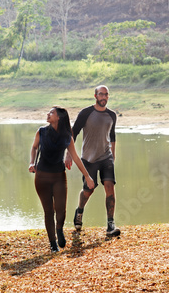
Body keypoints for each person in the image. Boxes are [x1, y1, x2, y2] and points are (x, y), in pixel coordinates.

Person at [29, 107, 95, 252]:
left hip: (59, 177)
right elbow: (34, 148)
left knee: (61, 210)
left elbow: (76, 158)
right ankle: (53, 243)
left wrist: (87, 176)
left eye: (51, 113)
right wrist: (32, 162)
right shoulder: (41, 132)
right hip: (41, 177)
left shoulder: (67, 137)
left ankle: (59, 229)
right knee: (48, 211)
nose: (48, 114)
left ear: (58, 117)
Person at [67, 84, 121, 237]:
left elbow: (113, 136)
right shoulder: (86, 113)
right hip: (89, 159)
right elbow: (73, 132)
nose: (104, 97)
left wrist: (113, 155)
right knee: (88, 190)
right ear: (95, 96)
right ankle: (80, 211)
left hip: (106, 157)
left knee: (110, 186)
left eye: (106, 94)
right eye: (101, 94)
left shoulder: (112, 115)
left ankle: (111, 224)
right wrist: (68, 154)